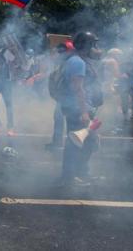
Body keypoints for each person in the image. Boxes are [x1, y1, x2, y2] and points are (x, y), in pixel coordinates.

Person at [59, 31, 102, 187]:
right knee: (76, 143)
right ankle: (70, 177)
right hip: (77, 109)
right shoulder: (78, 62)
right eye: (93, 44)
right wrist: (84, 111)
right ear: (87, 45)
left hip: (77, 107)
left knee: (88, 141)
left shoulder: (76, 60)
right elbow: (78, 88)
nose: (95, 48)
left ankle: (81, 173)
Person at [45, 41, 74, 151]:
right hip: (62, 98)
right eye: (60, 51)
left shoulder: (72, 63)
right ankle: (57, 142)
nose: (60, 53)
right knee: (58, 119)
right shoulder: (61, 63)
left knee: (70, 121)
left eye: (63, 50)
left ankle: (71, 145)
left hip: (70, 98)